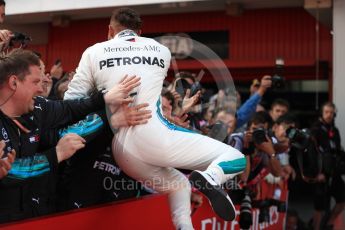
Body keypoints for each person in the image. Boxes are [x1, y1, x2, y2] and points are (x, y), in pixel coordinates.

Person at [64, 8, 246, 229]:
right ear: (140, 32)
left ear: (109, 30)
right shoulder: (161, 51)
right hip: (154, 136)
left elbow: (71, 101)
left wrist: (103, 98)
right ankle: (212, 179)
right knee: (236, 157)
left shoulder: (93, 51)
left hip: (121, 149)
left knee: (179, 185)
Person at [0, 49, 149, 223]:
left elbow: (70, 110)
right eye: (35, 82)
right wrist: (56, 154)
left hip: (33, 215)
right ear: (14, 82)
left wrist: (106, 103)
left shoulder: (37, 108)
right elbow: (10, 173)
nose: (41, 88)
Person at [310, 102, 345, 230]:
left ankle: (329, 224)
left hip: (334, 172)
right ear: (322, 113)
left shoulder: (334, 130)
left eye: (331, 112)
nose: (329, 115)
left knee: (342, 201)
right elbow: (311, 152)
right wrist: (317, 173)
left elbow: (338, 151)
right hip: (321, 174)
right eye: (326, 112)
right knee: (319, 208)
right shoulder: (315, 129)